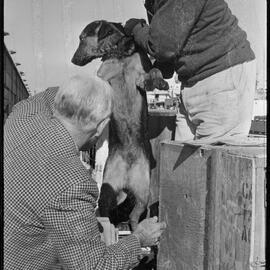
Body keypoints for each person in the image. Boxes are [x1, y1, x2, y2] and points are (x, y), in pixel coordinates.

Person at [4, 74, 166, 269]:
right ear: (102, 126)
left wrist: (85, 92)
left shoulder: (24, 116)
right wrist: (139, 239)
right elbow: (94, 266)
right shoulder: (72, 183)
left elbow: (47, 95)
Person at [124, 0, 256, 144]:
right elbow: (174, 37)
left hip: (221, 75)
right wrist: (160, 68)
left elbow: (162, 47)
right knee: (180, 159)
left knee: (213, 160)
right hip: (191, 82)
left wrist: (136, 28)